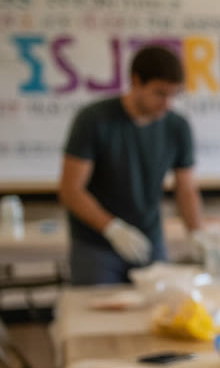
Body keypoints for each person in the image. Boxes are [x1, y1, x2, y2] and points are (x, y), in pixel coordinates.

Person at [59, 44, 204, 285]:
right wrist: (112, 228)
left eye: (174, 95)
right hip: (97, 244)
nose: (167, 103)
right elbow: (71, 190)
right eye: (159, 93)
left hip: (150, 239)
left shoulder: (177, 126)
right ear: (136, 81)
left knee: (158, 311)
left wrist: (197, 232)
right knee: (97, 315)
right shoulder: (94, 120)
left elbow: (186, 188)